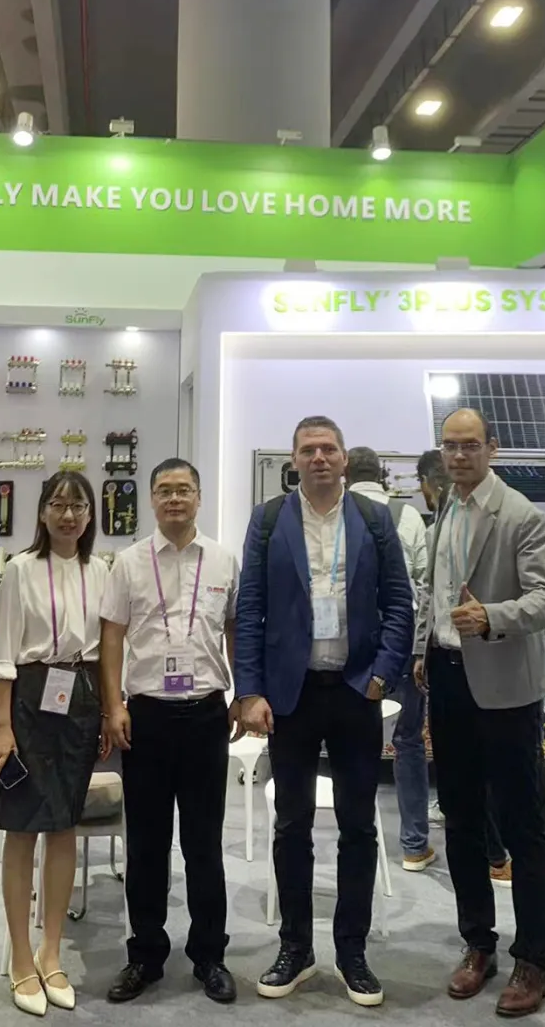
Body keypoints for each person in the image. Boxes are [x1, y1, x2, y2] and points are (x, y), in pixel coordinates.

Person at [236, 416, 414, 1009]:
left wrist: (383, 674)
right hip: (291, 695)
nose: (319, 458)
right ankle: (296, 947)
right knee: (292, 827)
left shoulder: (373, 519)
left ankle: (352, 952)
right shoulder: (268, 521)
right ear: (294, 459)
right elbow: (251, 609)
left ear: (343, 459)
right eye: (308, 449)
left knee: (359, 827)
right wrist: (250, 690)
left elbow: (399, 602)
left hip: (356, 690)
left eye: (328, 449)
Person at [414, 408, 545, 1018]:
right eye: (449, 446)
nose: (458, 456)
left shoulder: (521, 514)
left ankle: (533, 961)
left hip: (506, 691)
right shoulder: (445, 510)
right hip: (449, 680)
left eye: (469, 445)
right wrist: (426, 648)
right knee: (462, 820)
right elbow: (435, 592)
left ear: (491, 448)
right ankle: (479, 943)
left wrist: (491, 617)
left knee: (522, 829)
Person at [100, 457, 240, 1006]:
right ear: (152, 500)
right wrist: (113, 705)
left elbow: (234, 629)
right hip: (147, 717)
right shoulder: (129, 563)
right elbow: (112, 636)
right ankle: (146, 955)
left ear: (199, 498)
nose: (174, 499)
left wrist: (242, 693)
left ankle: (209, 954)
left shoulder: (223, 560)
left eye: (184, 490)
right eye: (164, 491)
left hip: (205, 714)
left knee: (204, 843)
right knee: (147, 843)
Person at [0, 471, 109, 1016]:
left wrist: (105, 711)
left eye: (78, 506)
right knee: (22, 827)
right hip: (30, 699)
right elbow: (4, 655)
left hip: (79, 696)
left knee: (64, 825)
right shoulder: (20, 569)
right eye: (58, 504)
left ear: (90, 515)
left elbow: (107, 650)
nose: (68, 515)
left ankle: (51, 950)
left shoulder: (100, 570)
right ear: (42, 512)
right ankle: (20, 956)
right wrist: (2, 726)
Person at [345, 445, 434, 873]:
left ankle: (352, 837)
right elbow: (423, 584)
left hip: (349, 644)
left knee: (346, 741)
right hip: (401, 642)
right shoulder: (409, 515)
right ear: (381, 475)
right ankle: (414, 845)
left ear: (345, 473)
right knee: (408, 741)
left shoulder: (337, 513)